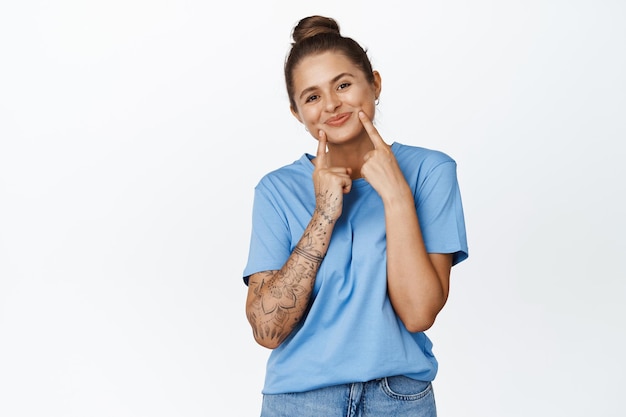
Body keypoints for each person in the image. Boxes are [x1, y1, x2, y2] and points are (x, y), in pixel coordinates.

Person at [242, 15, 468, 417]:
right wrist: (324, 212)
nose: (331, 104)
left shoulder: (430, 171)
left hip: (399, 398)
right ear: (297, 113)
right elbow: (267, 330)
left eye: (343, 85)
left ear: (374, 84)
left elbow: (419, 314)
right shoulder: (276, 190)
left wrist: (396, 194)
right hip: (298, 400)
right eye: (311, 97)